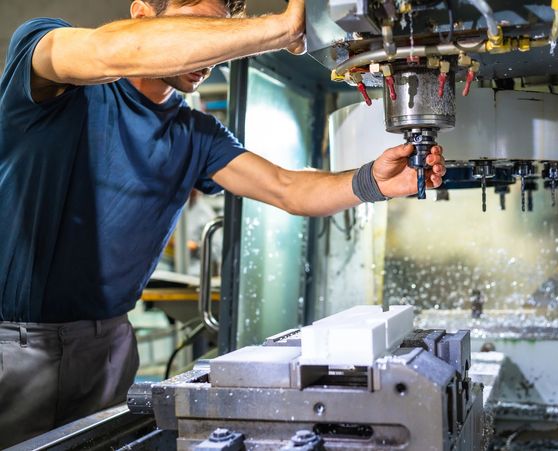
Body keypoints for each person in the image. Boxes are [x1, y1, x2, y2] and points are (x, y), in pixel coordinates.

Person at [0, 0, 446, 446]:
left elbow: (287, 188)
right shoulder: (50, 66)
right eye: (201, 31)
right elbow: (108, 51)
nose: (211, 60)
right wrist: (283, 26)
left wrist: (373, 182)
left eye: (221, 42)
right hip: (15, 346)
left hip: (111, 343)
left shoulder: (196, 134)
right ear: (141, 13)